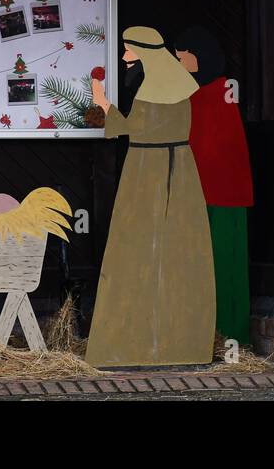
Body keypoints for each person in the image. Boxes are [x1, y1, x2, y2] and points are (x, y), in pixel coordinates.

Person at [86, 25, 215, 368]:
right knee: (173, 254)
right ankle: (176, 344)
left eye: (130, 51)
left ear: (145, 52)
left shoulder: (153, 91)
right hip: (177, 171)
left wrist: (103, 104)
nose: (125, 58)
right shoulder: (175, 85)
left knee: (139, 251)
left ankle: (136, 344)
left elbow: (134, 129)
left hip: (148, 173)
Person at [173, 25, 254, 345]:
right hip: (211, 194)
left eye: (183, 58)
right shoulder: (206, 94)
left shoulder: (214, 94)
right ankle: (215, 334)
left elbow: (208, 149)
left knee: (222, 266)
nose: (180, 64)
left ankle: (228, 335)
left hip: (219, 197)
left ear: (198, 57)